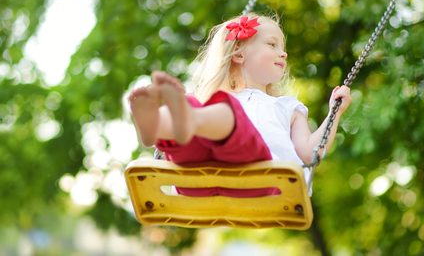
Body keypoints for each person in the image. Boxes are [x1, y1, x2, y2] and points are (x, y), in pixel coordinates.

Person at [128, 13, 352, 197]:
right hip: (202, 181)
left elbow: (310, 152)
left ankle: (179, 119)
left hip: (262, 182)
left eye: (282, 47)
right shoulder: (211, 99)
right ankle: (160, 125)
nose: (283, 52)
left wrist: (335, 112)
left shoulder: (286, 107)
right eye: (272, 44)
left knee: (226, 113)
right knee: (193, 108)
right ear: (238, 54)